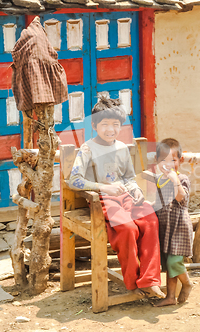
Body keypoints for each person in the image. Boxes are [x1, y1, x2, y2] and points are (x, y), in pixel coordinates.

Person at [68, 96, 164, 298]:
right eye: (105, 124)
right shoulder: (87, 149)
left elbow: (128, 177)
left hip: (127, 198)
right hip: (103, 200)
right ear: (94, 125)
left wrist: (135, 189)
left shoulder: (121, 148)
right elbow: (73, 180)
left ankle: (149, 280)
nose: (110, 129)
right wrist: (104, 188)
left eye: (115, 124)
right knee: (128, 229)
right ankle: (132, 281)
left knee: (150, 221)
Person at [153, 138, 194, 306]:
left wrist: (174, 179)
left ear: (180, 160)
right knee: (168, 263)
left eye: (173, 160)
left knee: (174, 262)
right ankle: (170, 297)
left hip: (179, 227)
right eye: (163, 160)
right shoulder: (157, 180)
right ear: (157, 161)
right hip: (165, 226)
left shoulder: (182, 179)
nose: (168, 165)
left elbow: (180, 197)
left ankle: (187, 283)